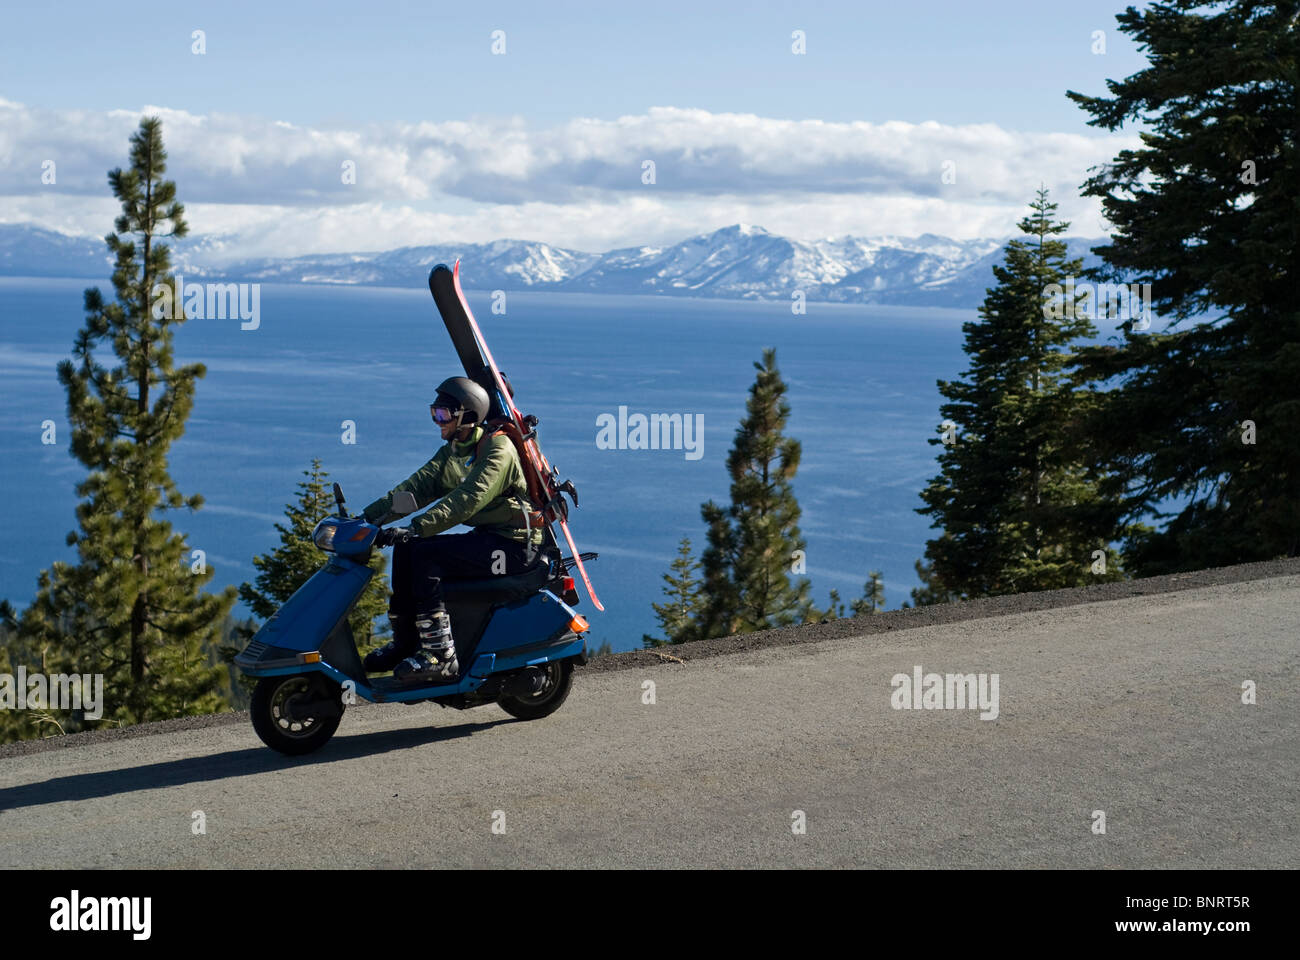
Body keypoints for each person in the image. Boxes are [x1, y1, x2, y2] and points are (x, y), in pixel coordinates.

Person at [361, 376, 542, 680]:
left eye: (443, 415)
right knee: (406, 551)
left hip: (516, 546)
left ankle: (441, 655)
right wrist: (366, 520)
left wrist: (417, 527)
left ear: (468, 415)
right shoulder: (456, 450)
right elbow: (416, 487)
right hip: (489, 538)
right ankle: (405, 644)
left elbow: (467, 499)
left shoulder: (498, 450)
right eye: (434, 413)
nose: (437, 421)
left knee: (426, 558)